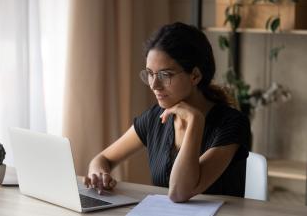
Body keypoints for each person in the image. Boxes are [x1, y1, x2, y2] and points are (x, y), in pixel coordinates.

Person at [83, 22, 251, 202]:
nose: (154, 85)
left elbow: (180, 192)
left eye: (165, 75)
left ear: (195, 75)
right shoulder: (155, 117)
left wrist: (195, 120)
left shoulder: (232, 123)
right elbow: (102, 159)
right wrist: (98, 174)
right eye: (149, 73)